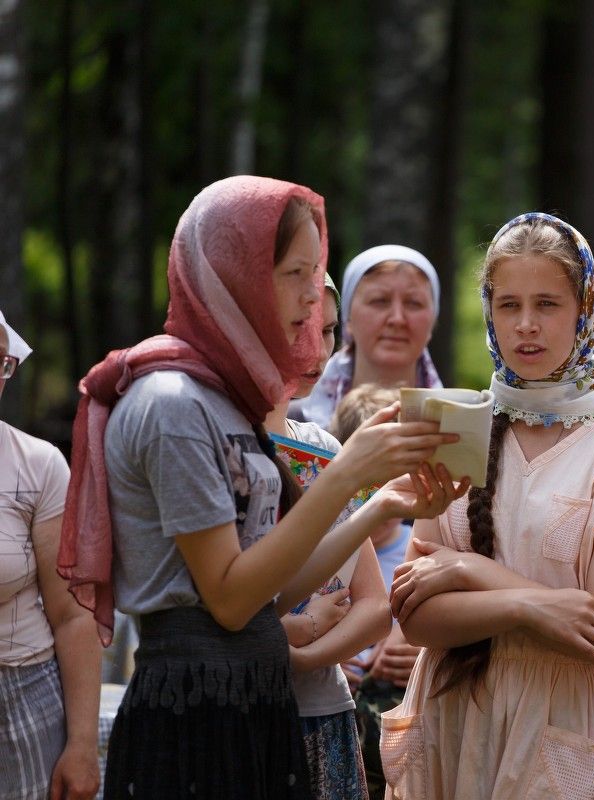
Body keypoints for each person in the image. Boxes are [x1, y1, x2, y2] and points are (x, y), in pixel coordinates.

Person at [55, 176, 466, 799]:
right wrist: (348, 474)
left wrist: (377, 501)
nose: (311, 299)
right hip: (196, 707)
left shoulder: (228, 401)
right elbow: (230, 600)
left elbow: (270, 590)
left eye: (315, 272)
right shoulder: (175, 402)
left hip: (253, 696)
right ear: (235, 276)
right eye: (295, 274)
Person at [382, 212, 594, 799]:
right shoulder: (457, 426)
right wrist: (531, 608)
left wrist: (469, 569)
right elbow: (415, 617)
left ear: (584, 310)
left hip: (560, 722)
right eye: (508, 305)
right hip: (450, 716)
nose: (526, 325)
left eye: (547, 304)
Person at [265, 274, 392, 800]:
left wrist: (304, 655)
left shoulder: (325, 447)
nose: (317, 351)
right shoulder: (223, 441)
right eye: (301, 328)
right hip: (246, 711)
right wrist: (285, 634)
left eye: (328, 331)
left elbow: (375, 606)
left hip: (325, 708)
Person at [0, 308, 101, 800]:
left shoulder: (37, 465)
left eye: (1, 363)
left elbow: (73, 613)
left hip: (22, 700)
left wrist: (82, 745)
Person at [328, 383, 424, 800]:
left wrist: (423, 654)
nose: (384, 493)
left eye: (396, 476)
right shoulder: (323, 549)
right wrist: (330, 656)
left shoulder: (422, 543)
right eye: (370, 480)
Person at [292, 245, 442, 429]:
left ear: (433, 320)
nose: (397, 319)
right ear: (348, 318)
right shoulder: (288, 424)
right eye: (379, 300)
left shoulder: (460, 425)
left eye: (414, 303)